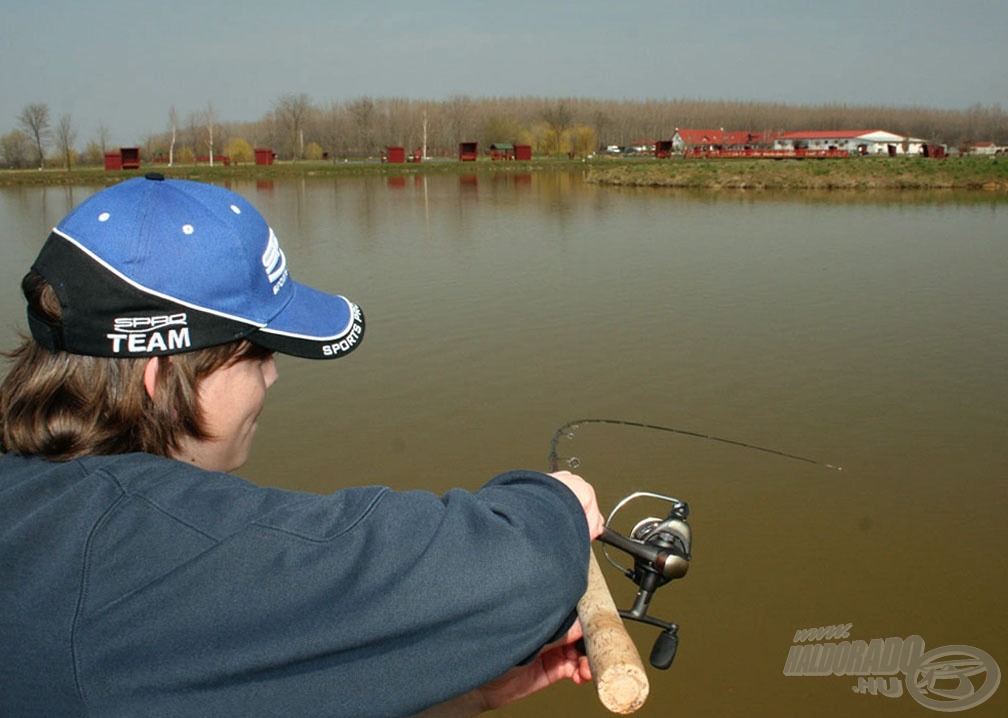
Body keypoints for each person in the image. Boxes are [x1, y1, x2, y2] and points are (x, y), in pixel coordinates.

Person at [0, 174, 604, 717]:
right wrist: (553, 505)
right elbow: (518, 570)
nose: (272, 377)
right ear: (160, 381)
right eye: (256, 355)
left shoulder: (42, 521)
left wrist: (473, 694)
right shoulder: (134, 555)